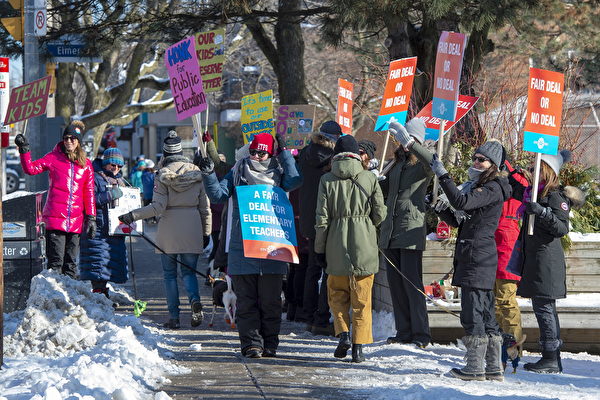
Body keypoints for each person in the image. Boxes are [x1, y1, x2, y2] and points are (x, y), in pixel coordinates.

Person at [199, 132, 302, 358]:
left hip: (273, 249)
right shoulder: (237, 172)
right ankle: (251, 344)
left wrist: (285, 154)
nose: (256, 156)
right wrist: (208, 174)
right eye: (253, 151)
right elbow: (217, 195)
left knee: (271, 302)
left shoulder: (280, 173)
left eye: (261, 152)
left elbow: (295, 180)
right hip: (242, 249)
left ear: (270, 153)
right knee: (245, 303)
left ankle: (270, 343)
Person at [430, 139, 511, 381]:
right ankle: (493, 367)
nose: (476, 162)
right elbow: (459, 219)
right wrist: (439, 208)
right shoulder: (482, 186)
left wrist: (444, 176)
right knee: (484, 313)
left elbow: (462, 202)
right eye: (475, 157)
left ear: (493, 165)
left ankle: (476, 367)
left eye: (482, 159)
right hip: (475, 255)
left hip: (478, 257)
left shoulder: (492, 188)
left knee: (474, 313)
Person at [119, 131, 211, 329]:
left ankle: (175, 317)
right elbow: (205, 207)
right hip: (192, 225)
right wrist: (206, 232)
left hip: (169, 226)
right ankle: (194, 301)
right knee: (189, 272)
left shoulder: (162, 176)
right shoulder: (197, 173)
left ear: (165, 154)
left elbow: (157, 207)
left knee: (169, 274)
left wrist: (132, 215)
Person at [508, 150, 584, 374]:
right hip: (536, 259)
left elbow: (561, 228)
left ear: (547, 171)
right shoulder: (534, 193)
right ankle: (551, 357)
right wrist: (506, 166)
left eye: (535, 169)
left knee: (544, 308)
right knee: (542, 307)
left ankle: (551, 358)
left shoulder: (554, 197)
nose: (531, 172)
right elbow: (515, 187)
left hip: (546, 262)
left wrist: (542, 212)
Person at [314, 135, 386, 363]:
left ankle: (343, 333)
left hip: (335, 244)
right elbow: (380, 214)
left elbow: (322, 219)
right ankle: (358, 347)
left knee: (336, 295)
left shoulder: (326, 179)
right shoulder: (369, 178)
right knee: (362, 299)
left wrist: (319, 249)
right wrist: (366, 225)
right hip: (364, 243)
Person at [15, 121, 96, 278]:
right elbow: (30, 169)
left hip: (75, 221)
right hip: (55, 219)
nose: (69, 141)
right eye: (66, 138)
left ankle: (69, 298)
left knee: (71, 264)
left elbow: (89, 192)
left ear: (79, 141)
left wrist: (91, 217)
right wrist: (24, 150)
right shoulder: (53, 158)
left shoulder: (86, 165)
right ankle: (54, 297)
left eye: (73, 138)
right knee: (55, 263)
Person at [380, 119, 434, 348]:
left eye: (407, 141)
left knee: (413, 285)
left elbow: (434, 163)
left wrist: (411, 143)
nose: (402, 146)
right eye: (400, 141)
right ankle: (403, 331)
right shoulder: (394, 163)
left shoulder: (422, 164)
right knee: (396, 285)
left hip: (410, 231)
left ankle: (421, 334)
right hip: (390, 231)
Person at [297, 120, 342, 335]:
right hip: (326, 218)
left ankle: (307, 314)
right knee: (326, 269)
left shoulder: (305, 154)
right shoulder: (333, 160)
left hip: (307, 218)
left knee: (312, 269)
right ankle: (321, 317)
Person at [494, 158, 529, 370]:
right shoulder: (494, 191)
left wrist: (510, 169)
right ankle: (502, 345)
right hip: (491, 256)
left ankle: (514, 347)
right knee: (496, 305)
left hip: (508, 256)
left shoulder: (517, 191)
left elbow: (523, 186)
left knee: (506, 303)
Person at [79, 147, 128, 298]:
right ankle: (98, 293)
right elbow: (88, 200)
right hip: (97, 229)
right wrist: (109, 195)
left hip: (114, 230)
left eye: (119, 166)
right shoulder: (93, 177)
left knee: (109, 265)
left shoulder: (121, 180)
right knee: (97, 264)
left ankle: (103, 292)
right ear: (105, 163)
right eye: (113, 165)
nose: (116, 168)